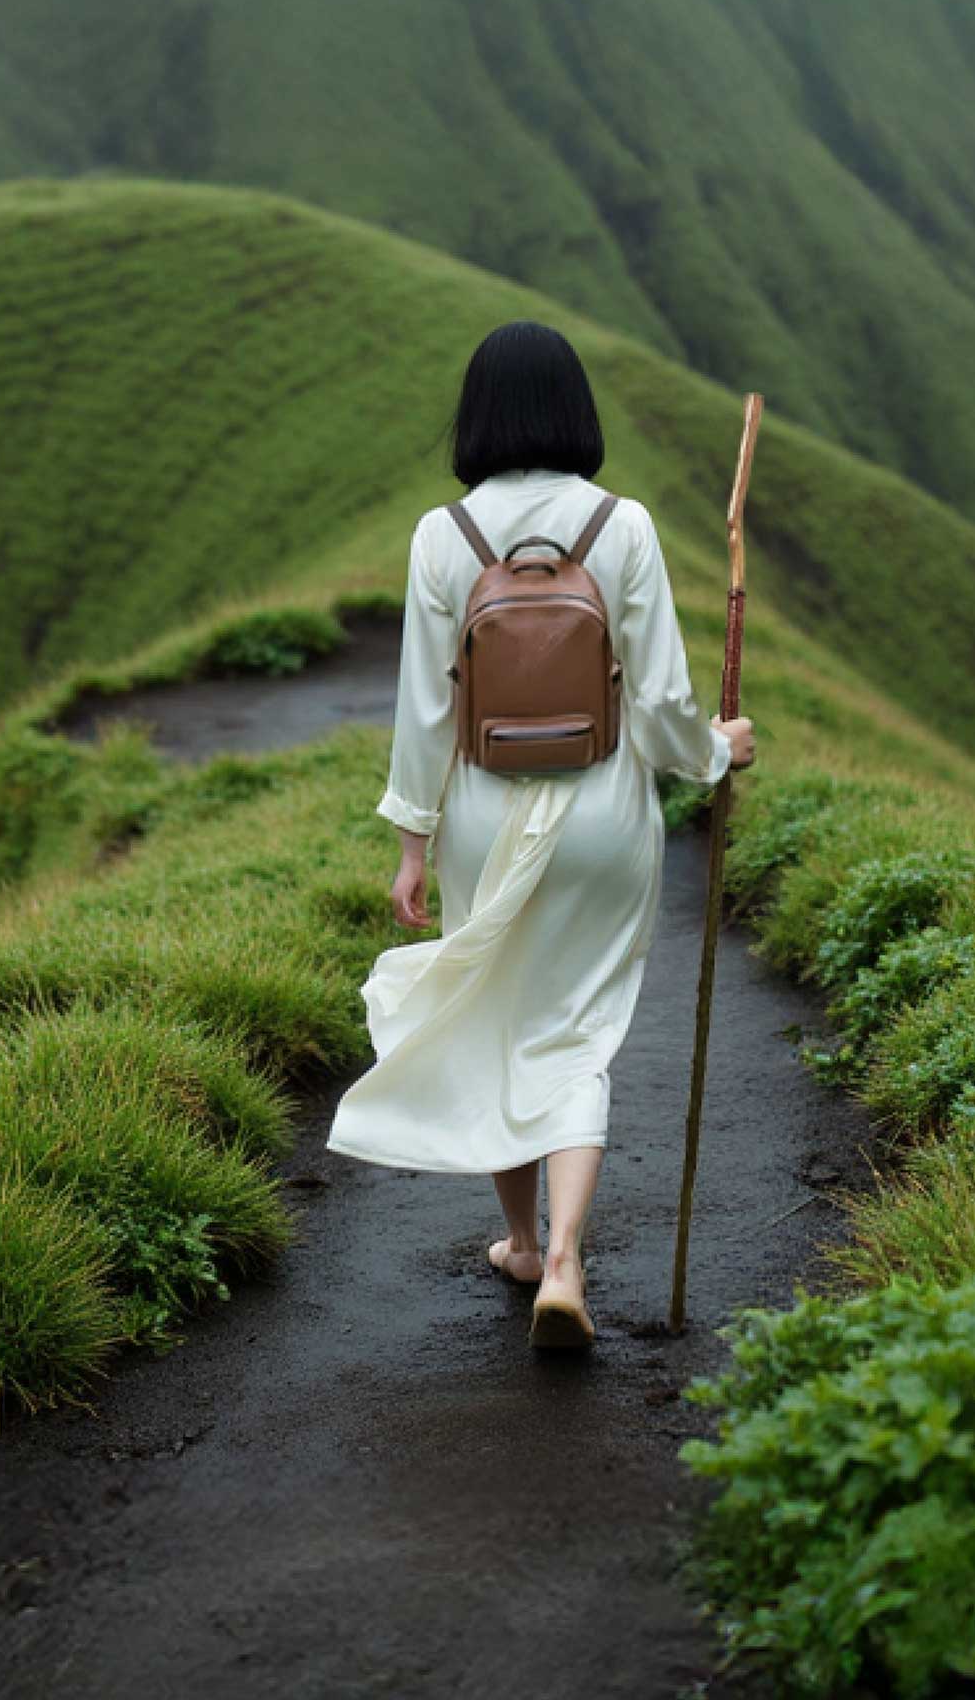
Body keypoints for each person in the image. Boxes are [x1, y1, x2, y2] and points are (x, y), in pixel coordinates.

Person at [324, 321, 755, 1347]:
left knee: (499, 1015)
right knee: (575, 1029)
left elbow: (425, 713)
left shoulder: (444, 537)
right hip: (605, 812)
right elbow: (659, 698)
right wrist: (715, 751)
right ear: (575, 411)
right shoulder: (626, 525)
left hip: (483, 811)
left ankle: (521, 1242)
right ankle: (564, 1258)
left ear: (476, 417)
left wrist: (413, 845)